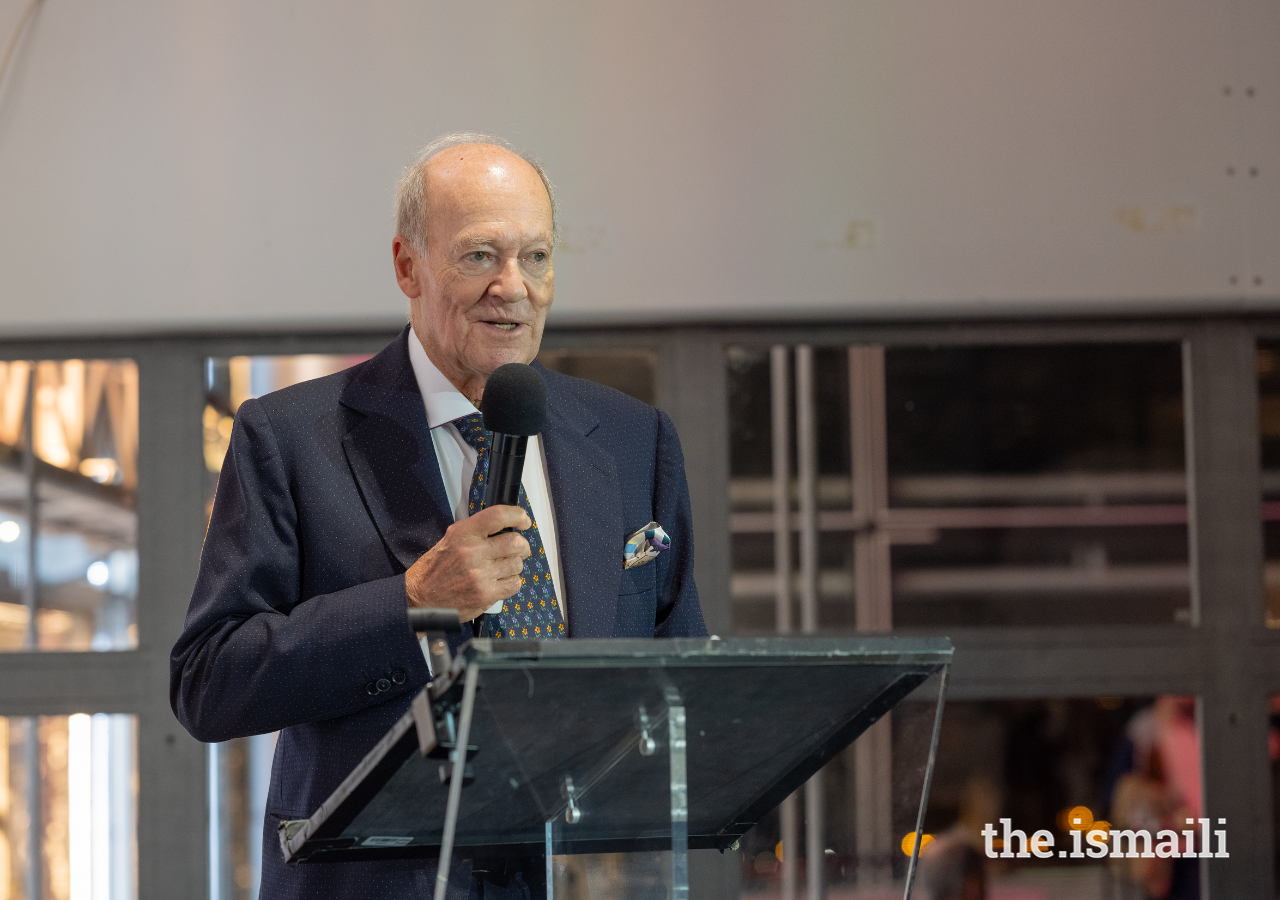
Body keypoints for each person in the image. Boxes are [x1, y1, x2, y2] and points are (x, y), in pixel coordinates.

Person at [170, 133, 707, 900]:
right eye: (480, 256)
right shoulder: (289, 439)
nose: (513, 288)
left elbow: (682, 684)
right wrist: (411, 602)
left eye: (537, 257)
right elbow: (207, 682)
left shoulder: (632, 439)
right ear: (406, 266)